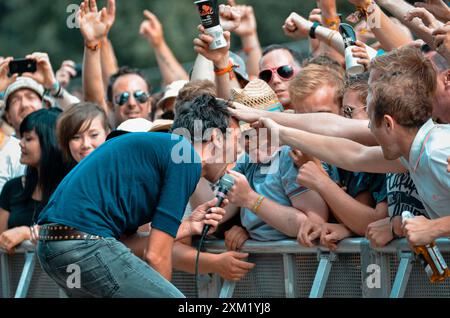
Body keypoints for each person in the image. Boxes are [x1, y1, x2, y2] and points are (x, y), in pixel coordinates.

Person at [36, 94, 239, 298]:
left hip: (53, 247)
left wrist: (187, 227)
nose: (237, 153)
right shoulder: (185, 156)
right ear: (216, 138)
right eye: (236, 141)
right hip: (81, 245)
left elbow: (126, 243)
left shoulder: (167, 154)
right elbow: (156, 256)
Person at [0, 109, 68, 253]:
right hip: (14, 274)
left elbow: (79, 235)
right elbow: (2, 240)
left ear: (50, 142)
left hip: (65, 274)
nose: (20, 143)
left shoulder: (70, 189)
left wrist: (26, 233)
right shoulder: (12, 188)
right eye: (21, 137)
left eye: (28, 138)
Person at [56, 102, 110, 168]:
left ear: (107, 134)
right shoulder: (66, 177)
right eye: (76, 137)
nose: (85, 144)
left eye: (94, 135)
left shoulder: (122, 172)